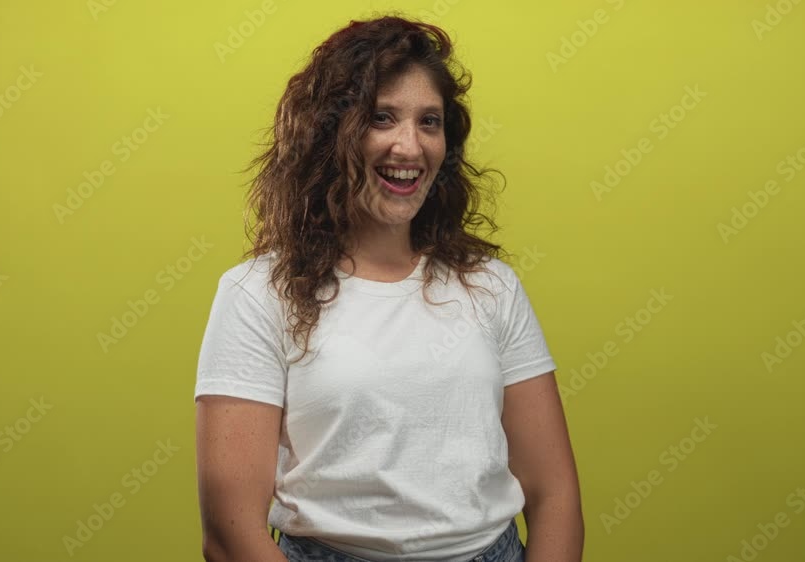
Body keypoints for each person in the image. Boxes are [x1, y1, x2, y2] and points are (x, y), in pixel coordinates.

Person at [195, 15, 583, 562]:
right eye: (381, 118)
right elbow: (230, 537)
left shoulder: (491, 285)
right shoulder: (257, 293)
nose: (410, 146)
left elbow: (554, 494)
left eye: (430, 122)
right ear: (330, 134)